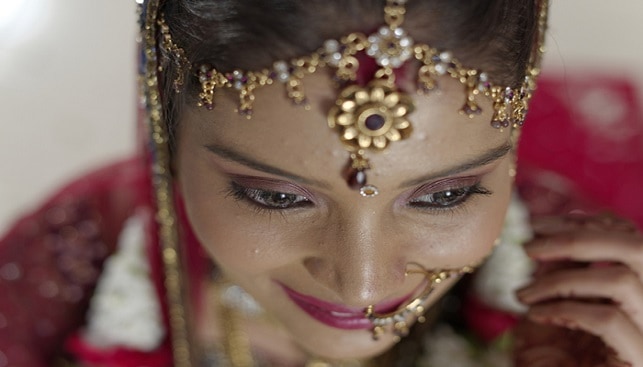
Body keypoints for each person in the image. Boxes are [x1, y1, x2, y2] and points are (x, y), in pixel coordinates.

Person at [0, 0, 642, 366]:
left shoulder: (574, 281)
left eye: (445, 195)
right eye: (276, 197)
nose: (360, 285)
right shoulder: (62, 276)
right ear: (165, 134)